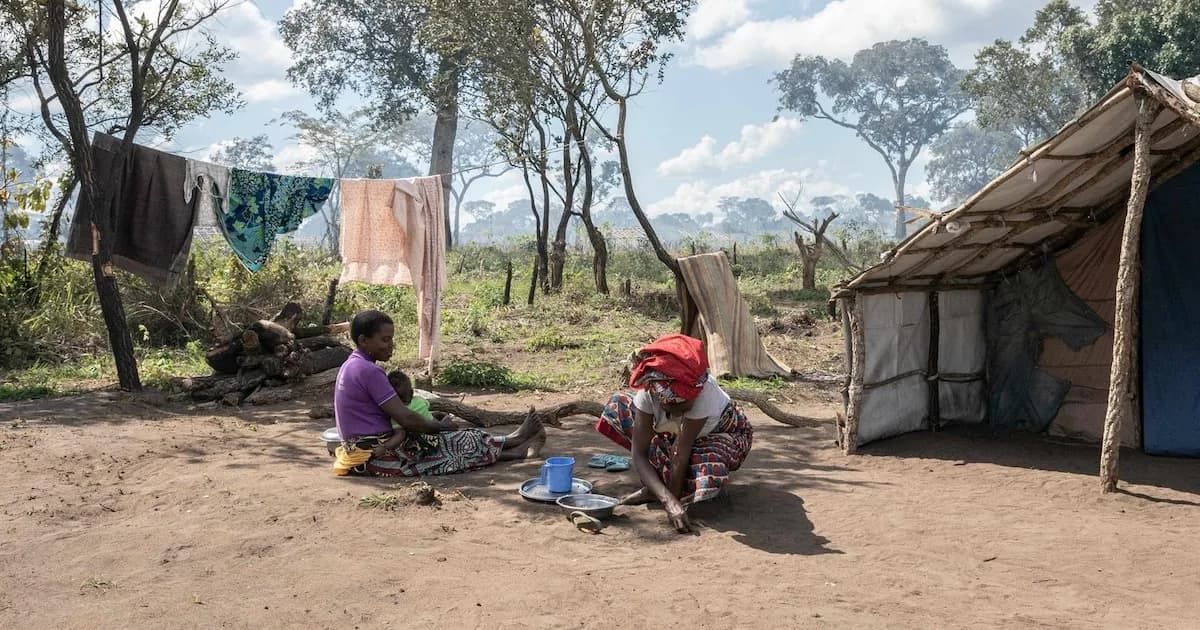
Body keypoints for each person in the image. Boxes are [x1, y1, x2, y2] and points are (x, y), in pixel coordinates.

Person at [332, 310, 545, 477]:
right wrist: (438, 427)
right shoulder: (368, 370)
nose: (391, 346)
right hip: (376, 456)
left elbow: (401, 414)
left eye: (391, 339)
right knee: (456, 442)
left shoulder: (352, 365)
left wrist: (432, 423)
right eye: (385, 340)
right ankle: (515, 444)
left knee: (455, 440)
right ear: (363, 340)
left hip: (363, 451)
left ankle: (514, 444)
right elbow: (406, 418)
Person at [595, 333, 753, 533]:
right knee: (620, 405)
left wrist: (673, 501)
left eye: (689, 402)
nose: (687, 407)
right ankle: (659, 488)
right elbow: (639, 454)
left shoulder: (703, 391)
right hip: (674, 439)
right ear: (663, 398)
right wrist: (668, 501)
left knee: (709, 465)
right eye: (682, 405)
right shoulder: (649, 392)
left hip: (717, 436)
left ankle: (663, 488)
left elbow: (681, 452)